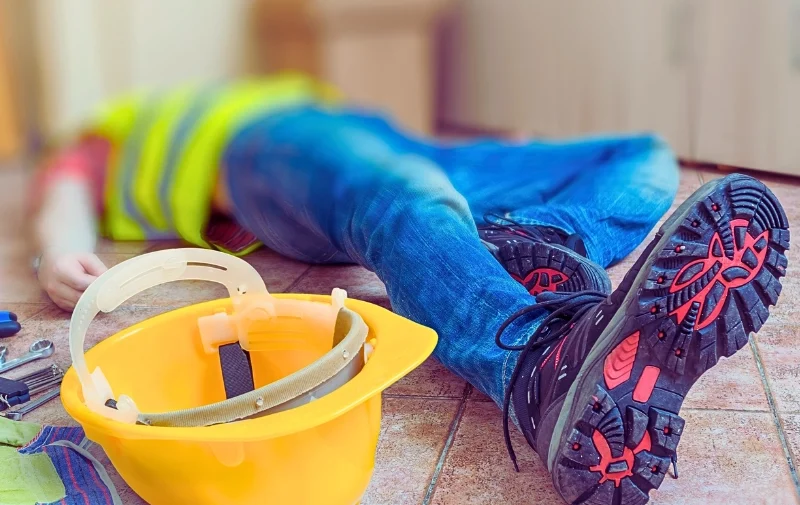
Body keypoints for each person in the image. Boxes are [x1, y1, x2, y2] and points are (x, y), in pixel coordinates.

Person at [30, 74, 790, 505]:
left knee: (641, 157)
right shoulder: (133, 127)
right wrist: (56, 250)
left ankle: (525, 242)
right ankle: (541, 364)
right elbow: (62, 183)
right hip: (264, 153)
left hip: (397, 144)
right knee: (401, 194)